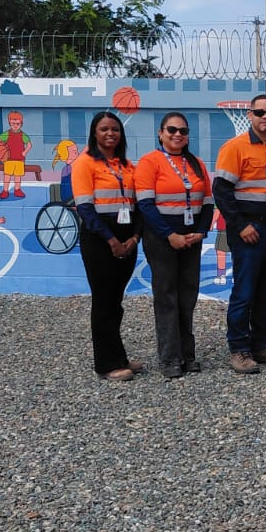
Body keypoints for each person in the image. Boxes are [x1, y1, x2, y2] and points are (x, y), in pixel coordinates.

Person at [213, 94, 266, 374]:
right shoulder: (235, 147)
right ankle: (239, 349)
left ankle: (261, 345)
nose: (265, 117)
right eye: (259, 112)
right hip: (249, 230)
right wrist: (240, 226)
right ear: (249, 115)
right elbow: (222, 192)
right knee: (244, 292)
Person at [134, 112, 212, 378]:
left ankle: (188, 355)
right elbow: (145, 205)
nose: (177, 135)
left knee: (188, 296)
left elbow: (208, 203)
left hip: (191, 237)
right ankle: (169, 358)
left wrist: (201, 231)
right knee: (167, 296)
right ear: (160, 133)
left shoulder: (197, 163)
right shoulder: (149, 162)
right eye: (171, 130)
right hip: (161, 238)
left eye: (183, 131)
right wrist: (170, 235)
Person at [71, 111, 143, 381]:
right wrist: (111, 241)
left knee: (116, 302)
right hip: (100, 240)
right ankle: (106, 364)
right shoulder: (85, 163)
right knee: (103, 302)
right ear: (94, 133)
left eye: (115, 129)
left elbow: (138, 207)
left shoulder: (127, 165)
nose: (110, 133)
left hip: (127, 239)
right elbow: (86, 210)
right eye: (104, 129)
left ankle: (119, 356)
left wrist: (134, 238)